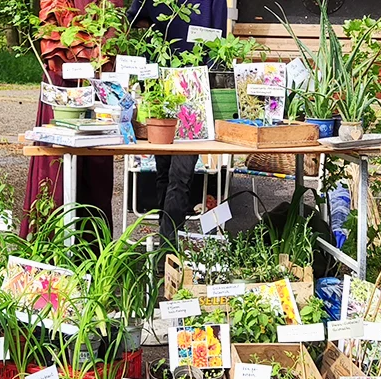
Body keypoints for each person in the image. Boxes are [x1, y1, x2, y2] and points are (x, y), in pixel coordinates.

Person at [126, 0, 227, 254]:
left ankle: (168, 251)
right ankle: (168, 240)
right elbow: (133, 18)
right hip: (159, 87)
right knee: (163, 170)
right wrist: (155, 34)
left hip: (195, 90)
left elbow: (219, 43)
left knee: (180, 174)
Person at [20, 0, 122, 238]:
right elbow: (50, 20)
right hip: (62, 79)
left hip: (97, 79)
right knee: (55, 166)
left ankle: (91, 254)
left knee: (96, 165)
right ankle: (49, 247)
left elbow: (114, 23)